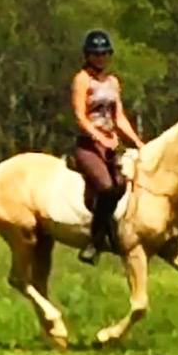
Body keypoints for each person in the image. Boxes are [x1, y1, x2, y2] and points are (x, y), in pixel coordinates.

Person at [71, 30, 144, 265]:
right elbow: (80, 116)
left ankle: (114, 231)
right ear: (88, 55)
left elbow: (118, 117)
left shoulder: (112, 82)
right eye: (96, 54)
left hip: (112, 142)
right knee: (105, 186)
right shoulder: (82, 79)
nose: (101, 57)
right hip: (88, 144)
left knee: (122, 183)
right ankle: (94, 241)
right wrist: (98, 138)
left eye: (104, 53)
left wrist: (137, 141)